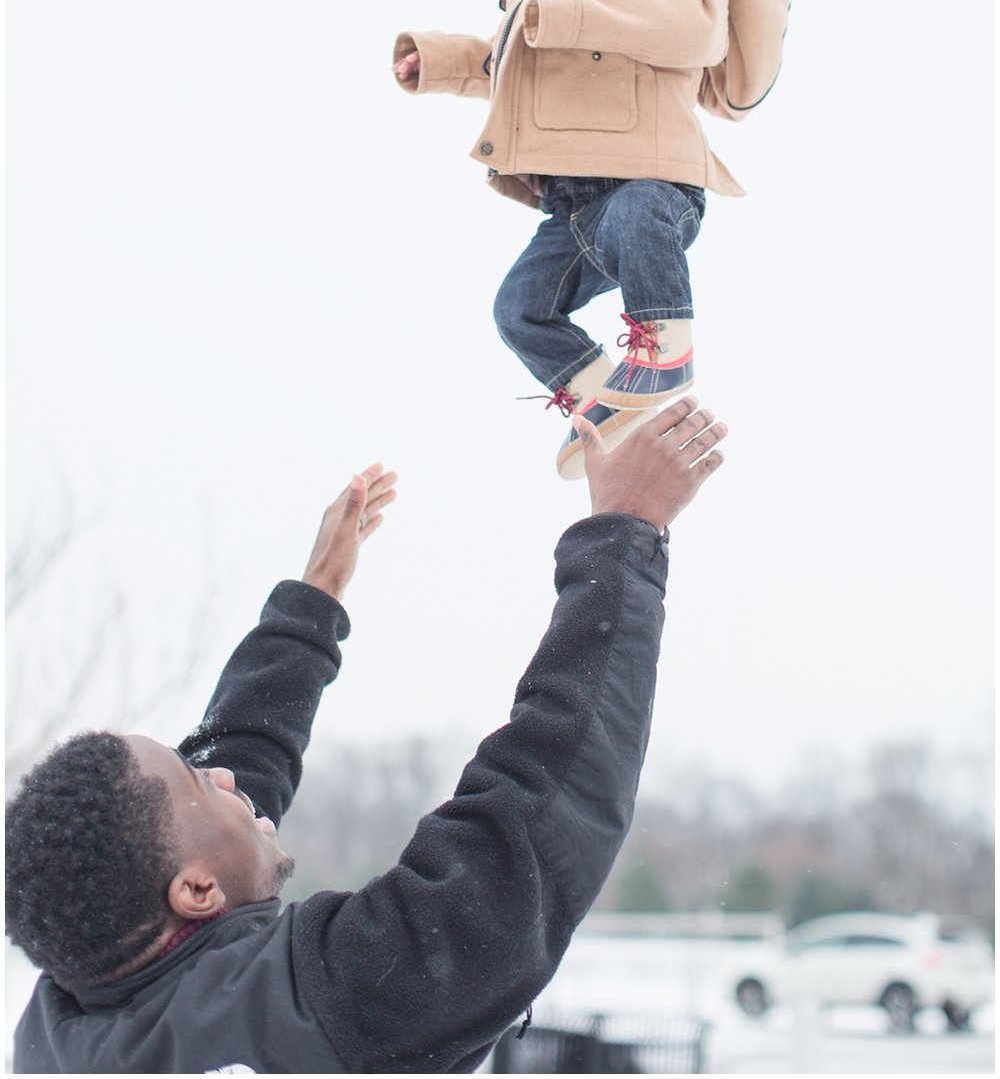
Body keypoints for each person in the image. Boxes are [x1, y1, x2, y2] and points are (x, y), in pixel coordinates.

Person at [6, 398, 727, 1074]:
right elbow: (534, 824)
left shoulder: (63, 1026)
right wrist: (624, 534)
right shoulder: (332, 1007)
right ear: (195, 890)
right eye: (197, 781)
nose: (219, 774)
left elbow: (231, 766)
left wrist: (312, 599)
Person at [393, 0, 790, 479]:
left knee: (636, 218)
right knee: (520, 307)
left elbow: (689, 32)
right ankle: (602, 405)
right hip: (568, 208)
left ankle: (664, 345)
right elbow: (499, 64)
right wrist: (433, 63)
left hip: (652, 186)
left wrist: (568, 12)